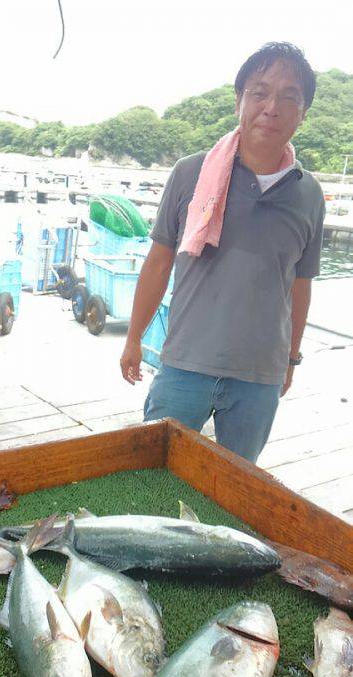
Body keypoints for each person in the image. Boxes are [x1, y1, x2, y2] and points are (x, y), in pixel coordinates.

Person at [120, 42, 325, 463]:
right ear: (239, 101)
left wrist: (291, 359)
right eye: (259, 91)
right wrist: (133, 339)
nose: (272, 106)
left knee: (236, 488)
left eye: (289, 97)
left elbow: (300, 284)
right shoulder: (191, 173)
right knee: (152, 473)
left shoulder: (309, 193)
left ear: (303, 113)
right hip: (184, 366)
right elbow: (158, 263)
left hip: (258, 379)